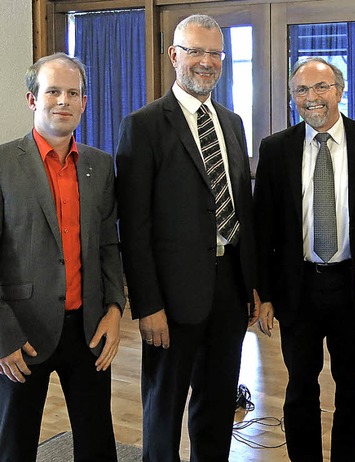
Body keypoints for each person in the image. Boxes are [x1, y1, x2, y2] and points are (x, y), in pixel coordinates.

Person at [115, 14, 258, 461]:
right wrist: (148, 304)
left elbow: (242, 208)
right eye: (195, 51)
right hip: (171, 300)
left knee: (216, 404)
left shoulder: (231, 123)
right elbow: (133, 226)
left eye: (215, 53)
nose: (206, 62)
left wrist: (252, 284)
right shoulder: (144, 125)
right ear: (174, 55)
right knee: (164, 407)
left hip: (229, 292)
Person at [253, 57, 355, 461]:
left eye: (321, 87)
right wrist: (264, 294)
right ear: (292, 97)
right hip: (297, 287)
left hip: (354, 285)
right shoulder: (276, 149)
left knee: (352, 385)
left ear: (339, 90)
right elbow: (264, 226)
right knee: (300, 385)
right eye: (301, 90)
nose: (312, 98)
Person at [0, 53, 125, 462]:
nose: (63, 101)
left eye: (73, 93)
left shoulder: (100, 165)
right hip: (22, 334)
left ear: (84, 103)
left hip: (87, 329)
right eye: (53, 91)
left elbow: (108, 243)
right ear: (32, 99)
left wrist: (114, 308)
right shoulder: (3, 164)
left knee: (97, 444)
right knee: (14, 445)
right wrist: (2, 336)